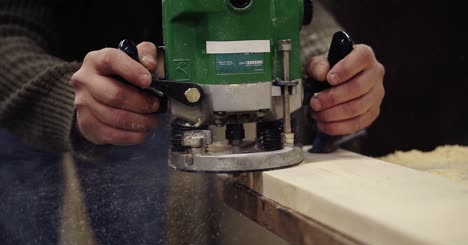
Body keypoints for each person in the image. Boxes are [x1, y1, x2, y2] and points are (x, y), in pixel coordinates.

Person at [0, 0, 385, 159]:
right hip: (44, 94)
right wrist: (62, 97)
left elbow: (281, 10)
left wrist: (333, 70)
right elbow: (7, 34)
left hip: (158, 102)